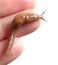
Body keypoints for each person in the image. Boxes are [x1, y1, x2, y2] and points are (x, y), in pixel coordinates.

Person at [0, 0, 40, 65]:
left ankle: (7, 52)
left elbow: (26, 18)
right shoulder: (21, 19)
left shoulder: (24, 17)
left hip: (17, 22)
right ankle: (7, 52)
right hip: (16, 23)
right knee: (12, 35)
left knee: (12, 35)